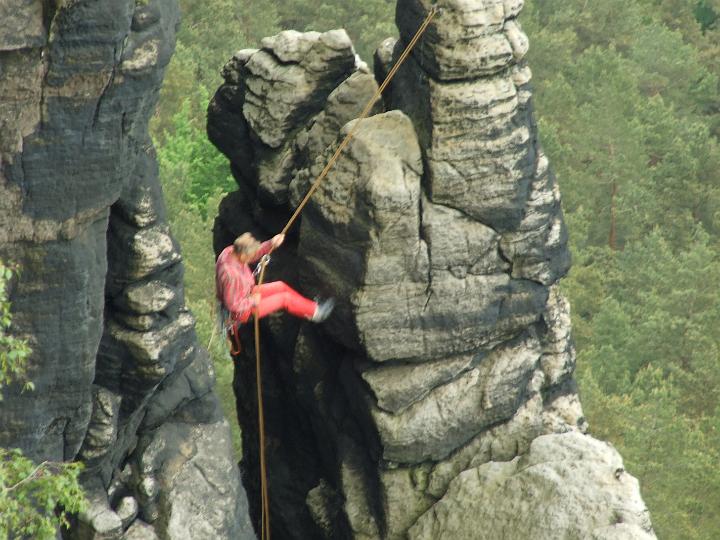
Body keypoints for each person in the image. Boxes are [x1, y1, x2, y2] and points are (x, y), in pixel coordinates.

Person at [215, 233, 335, 352]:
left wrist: (271, 243)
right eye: (249, 256)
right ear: (242, 255)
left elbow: (252, 253)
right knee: (284, 299)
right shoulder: (230, 275)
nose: (251, 259)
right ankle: (316, 313)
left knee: (280, 286)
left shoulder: (230, 251)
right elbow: (233, 304)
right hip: (245, 310)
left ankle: (307, 308)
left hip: (247, 292)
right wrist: (252, 301)